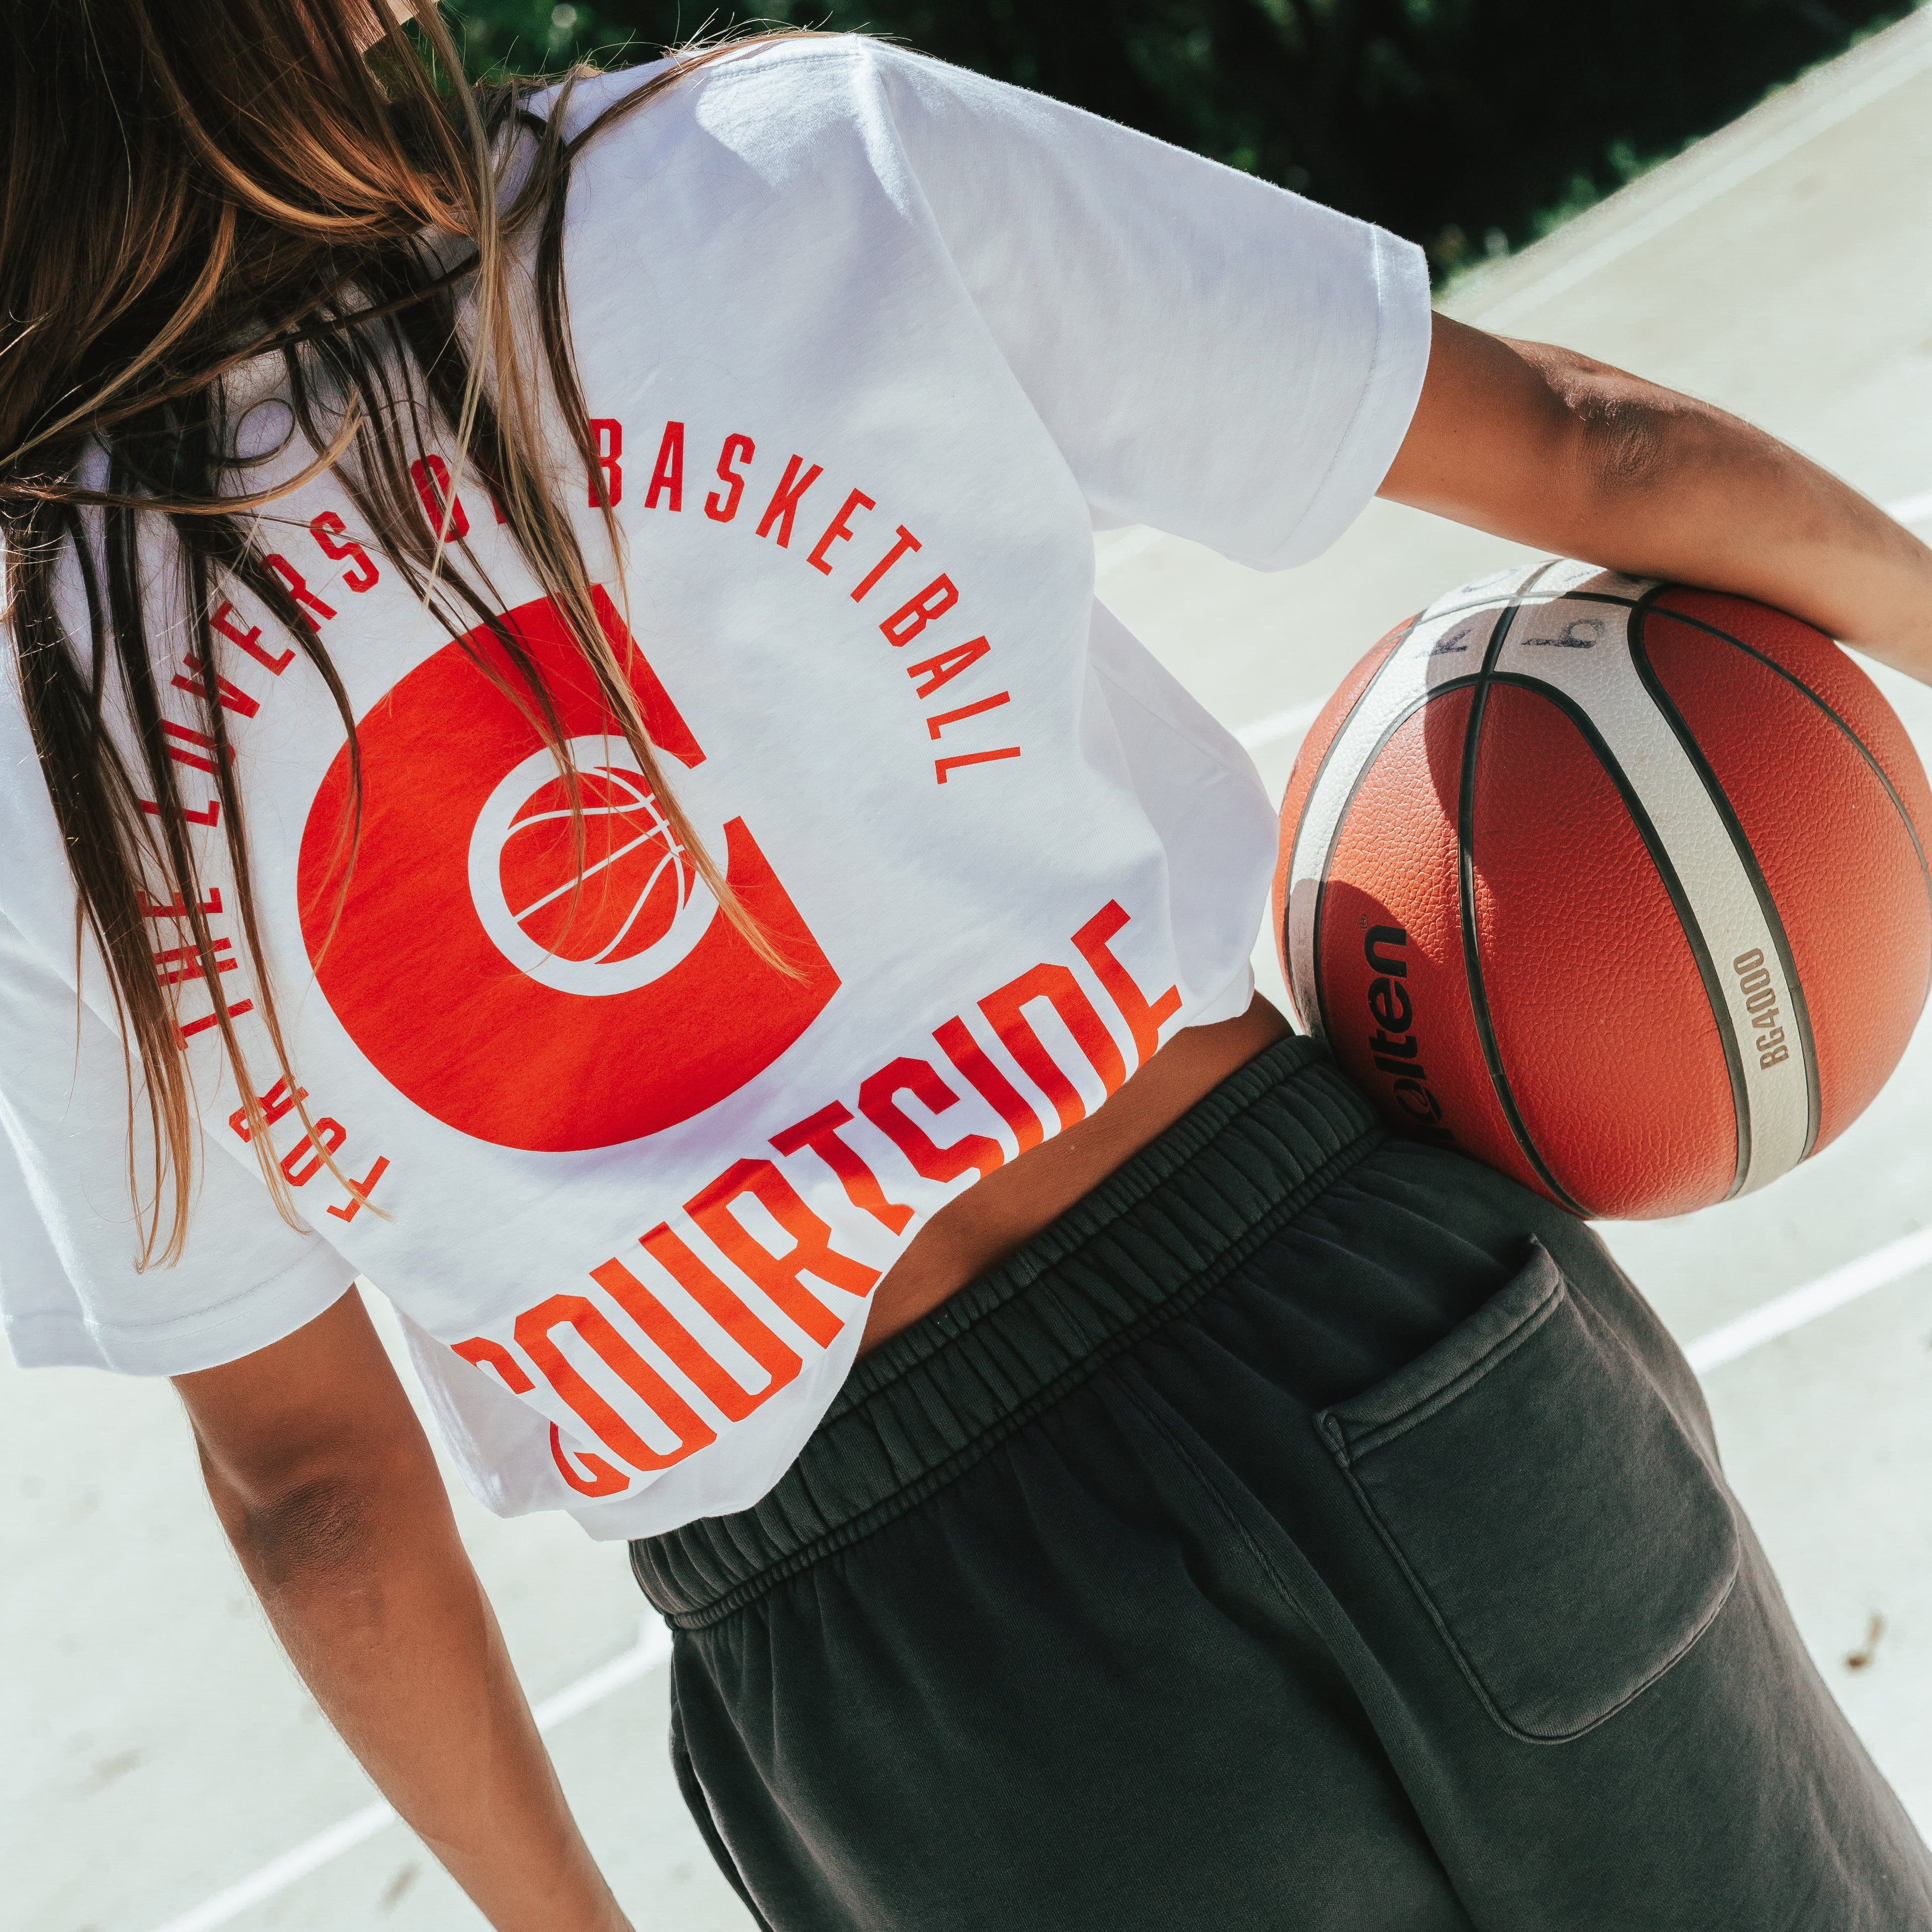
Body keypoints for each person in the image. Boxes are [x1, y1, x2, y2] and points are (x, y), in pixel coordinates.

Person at [4, 6, 1930, 1928]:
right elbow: (1589, 449)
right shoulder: (779, 163)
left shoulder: (29, 702)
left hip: (901, 1669)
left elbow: (311, 1489)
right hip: (1354, 1325)